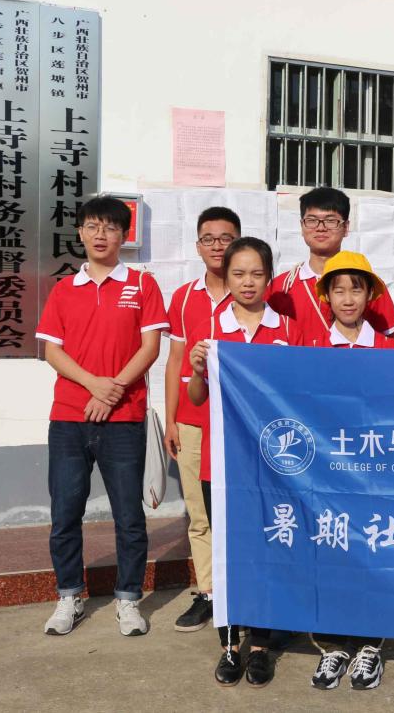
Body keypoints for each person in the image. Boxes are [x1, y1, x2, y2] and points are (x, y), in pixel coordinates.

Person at [35, 195, 168, 637]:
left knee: (129, 516)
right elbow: (52, 350)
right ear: (80, 232)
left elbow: (150, 348)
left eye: (110, 228)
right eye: (92, 226)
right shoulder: (63, 289)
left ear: (123, 236)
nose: (100, 235)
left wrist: (111, 394)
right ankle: (69, 595)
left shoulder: (142, 285)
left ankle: (128, 599)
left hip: (124, 419)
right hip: (68, 419)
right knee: (65, 513)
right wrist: (95, 384)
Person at [188, 237, 299, 688]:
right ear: (226, 277)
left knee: (270, 550)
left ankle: (261, 646)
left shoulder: (288, 329)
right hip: (222, 463)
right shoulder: (211, 330)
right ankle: (230, 645)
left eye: (256, 274)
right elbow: (197, 398)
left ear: (269, 277)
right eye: (238, 274)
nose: (247, 282)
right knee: (228, 553)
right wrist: (198, 369)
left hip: (274, 464)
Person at [301, 251, 394, 691]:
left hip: (376, 476)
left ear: (370, 294)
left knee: (373, 555)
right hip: (327, 476)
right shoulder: (312, 349)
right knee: (332, 555)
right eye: (338, 290)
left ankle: (370, 647)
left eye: (356, 289)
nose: (347, 298)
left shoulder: (390, 350)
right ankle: (333, 646)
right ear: (327, 297)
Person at [163, 206, 240, 632]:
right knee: (200, 514)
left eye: (226, 238)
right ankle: (209, 592)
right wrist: (171, 419)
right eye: (209, 239)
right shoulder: (183, 297)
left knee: (242, 512)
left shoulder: (251, 293)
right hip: (193, 420)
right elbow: (174, 360)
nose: (217, 246)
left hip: (240, 422)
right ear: (197, 246)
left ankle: (242, 593)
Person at [267, 186, 394, 343]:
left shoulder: (366, 283)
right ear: (302, 226)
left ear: (346, 227)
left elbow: (392, 342)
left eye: (330, 221)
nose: (321, 228)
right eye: (312, 220)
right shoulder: (280, 289)